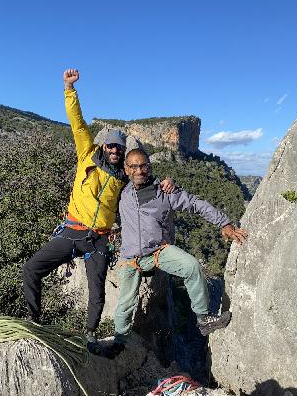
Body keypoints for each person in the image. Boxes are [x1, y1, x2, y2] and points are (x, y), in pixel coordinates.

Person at [23, 69, 174, 347]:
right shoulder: (87, 155)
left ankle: (90, 335)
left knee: (97, 290)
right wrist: (69, 89)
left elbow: (144, 179)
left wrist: (166, 183)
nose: (115, 151)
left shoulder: (124, 174)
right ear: (104, 146)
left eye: (119, 148)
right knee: (31, 269)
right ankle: (34, 322)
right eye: (112, 146)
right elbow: (78, 124)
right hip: (72, 231)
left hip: (99, 239)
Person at [104, 147, 247, 359]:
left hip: (158, 251)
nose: (139, 170)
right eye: (134, 166)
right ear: (126, 170)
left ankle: (203, 319)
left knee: (191, 266)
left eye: (143, 165)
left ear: (150, 167)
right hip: (131, 258)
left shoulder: (165, 192)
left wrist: (224, 222)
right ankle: (119, 342)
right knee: (125, 303)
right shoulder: (121, 192)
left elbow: (196, 204)